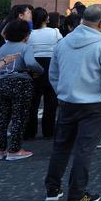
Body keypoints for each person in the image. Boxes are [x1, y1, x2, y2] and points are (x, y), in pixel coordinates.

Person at [43, 5, 101, 201]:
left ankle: (52, 188)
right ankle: (77, 193)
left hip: (68, 101)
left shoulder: (64, 42)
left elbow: (54, 73)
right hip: (95, 104)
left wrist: (63, 92)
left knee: (61, 147)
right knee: (84, 149)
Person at [0, 20, 43, 161]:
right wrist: (40, 71)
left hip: (2, 82)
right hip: (21, 82)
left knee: (2, 116)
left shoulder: (2, 48)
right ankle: (14, 149)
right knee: (19, 116)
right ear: (26, 35)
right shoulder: (25, 47)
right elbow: (31, 63)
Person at [26, 7, 62, 140]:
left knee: (32, 103)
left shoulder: (29, 33)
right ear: (46, 19)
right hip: (51, 65)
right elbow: (61, 47)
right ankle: (49, 131)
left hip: (34, 67)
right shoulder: (55, 32)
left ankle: (30, 132)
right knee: (51, 102)